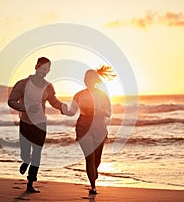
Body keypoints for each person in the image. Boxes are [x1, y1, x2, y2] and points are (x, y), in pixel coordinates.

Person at [8, 57, 65, 193]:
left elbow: (53, 101)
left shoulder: (48, 86)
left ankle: (30, 183)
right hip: (26, 123)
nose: (43, 70)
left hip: (41, 124)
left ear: (48, 71)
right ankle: (25, 161)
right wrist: (25, 108)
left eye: (46, 68)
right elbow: (11, 101)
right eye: (41, 67)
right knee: (26, 153)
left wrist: (63, 108)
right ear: (36, 67)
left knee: (37, 153)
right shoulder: (22, 84)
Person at [62, 65, 115, 195]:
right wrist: (62, 108)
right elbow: (72, 112)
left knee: (97, 160)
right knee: (89, 157)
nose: (87, 80)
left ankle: (93, 174)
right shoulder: (78, 95)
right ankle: (93, 186)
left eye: (90, 78)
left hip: (99, 128)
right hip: (83, 127)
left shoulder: (102, 95)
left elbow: (109, 113)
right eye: (86, 78)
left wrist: (96, 111)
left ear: (95, 80)